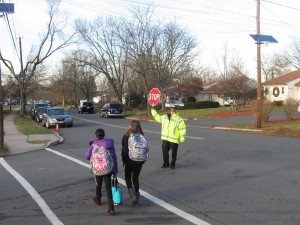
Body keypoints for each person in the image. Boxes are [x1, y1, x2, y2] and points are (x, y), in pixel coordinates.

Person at [85, 128, 118, 215]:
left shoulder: (93, 145)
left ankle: (97, 200)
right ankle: (111, 208)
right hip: (107, 168)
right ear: (104, 135)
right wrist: (115, 170)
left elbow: (87, 155)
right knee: (108, 187)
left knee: (98, 184)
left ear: (96, 135)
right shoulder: (109, 144)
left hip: (97, 169)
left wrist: (93, 159)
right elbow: (114, 157)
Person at [121, 120, 147, 206]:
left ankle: (132, 196)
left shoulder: (126, 136)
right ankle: (137, 195)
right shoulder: (141, 136)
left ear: (130, 126)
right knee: (135, 178)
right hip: (140, 160)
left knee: (128, 178)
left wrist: (124, 159)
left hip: (129, 160)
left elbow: (125, 149)